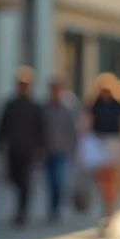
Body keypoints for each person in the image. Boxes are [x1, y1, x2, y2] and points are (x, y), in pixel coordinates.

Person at [0, 67, 47, 227]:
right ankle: (20, 206)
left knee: (25, 181)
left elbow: (41, 128)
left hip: (28, 149)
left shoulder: (35, 106)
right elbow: (2, 125)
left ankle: (22, 211)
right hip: (13, 148)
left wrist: (41, 147)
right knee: (13, 177)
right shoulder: (11, 104)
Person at [79, 73, 120, 234]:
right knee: (103, 179)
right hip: (99, 143)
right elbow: (87, 124)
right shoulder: (94, 104)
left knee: (112, 178)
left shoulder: (119, 105)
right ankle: (106, 208)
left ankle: (110, 209)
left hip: (114, 143)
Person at [43, 77, 79, 222]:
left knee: (59, 179)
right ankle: (52, 206)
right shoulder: (45, 108)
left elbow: (72, 130)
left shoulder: (67, 108)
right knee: (50, 180)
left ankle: (57, 207)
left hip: (62, 149)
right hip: (48, 149)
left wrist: (74, 147)